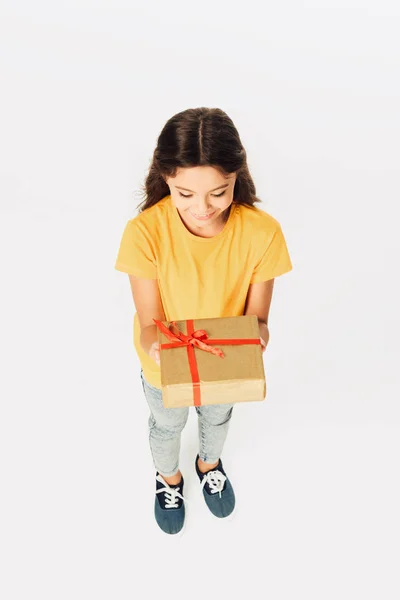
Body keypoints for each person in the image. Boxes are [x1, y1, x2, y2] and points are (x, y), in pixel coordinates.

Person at [114, 107, 293, 535]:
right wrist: (156, 341)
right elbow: (148, 324)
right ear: (166, 180)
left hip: (226, 358)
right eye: (184, 194)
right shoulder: (144, 232)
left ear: (237, 175)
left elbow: (259, 318)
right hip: (164, 362)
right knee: (166, 423)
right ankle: (169, 479)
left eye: (218, 192)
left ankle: (208, 464)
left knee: (216, 418)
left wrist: (258, 335)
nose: (202, 208)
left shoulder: (262, 232)